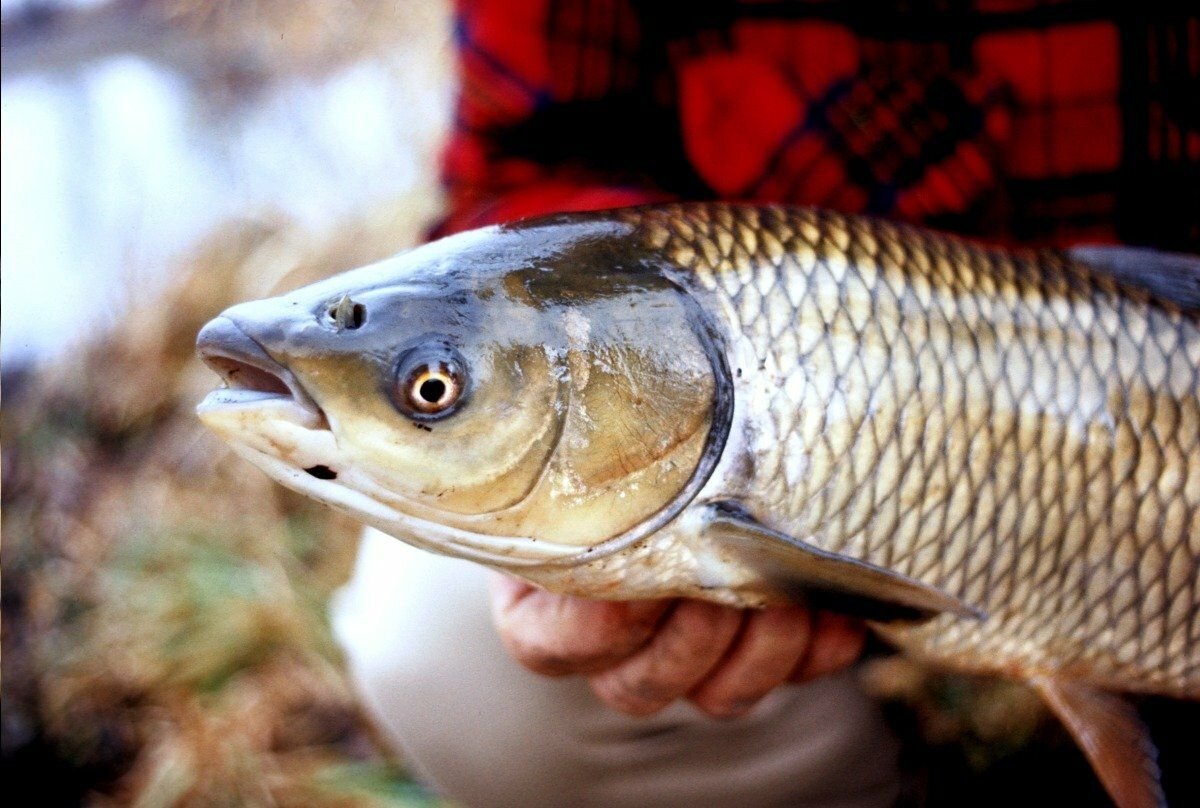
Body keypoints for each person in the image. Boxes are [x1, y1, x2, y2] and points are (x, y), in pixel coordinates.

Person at [334, 2, 1199, 806]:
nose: (431, 394)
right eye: (433, 391)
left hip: (1150, 381)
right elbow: (530, 164)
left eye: (432, 390)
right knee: (442, 650)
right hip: (784, 410)